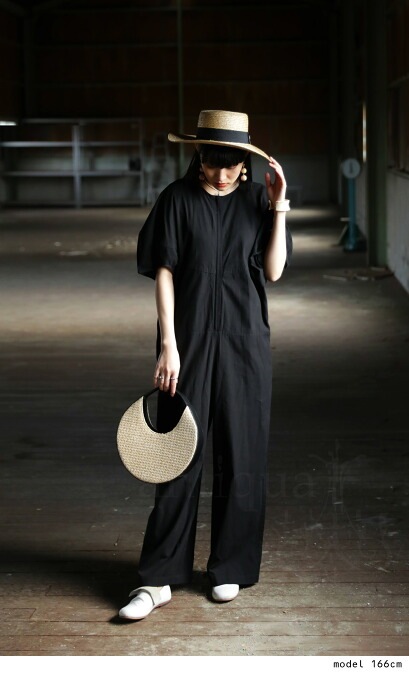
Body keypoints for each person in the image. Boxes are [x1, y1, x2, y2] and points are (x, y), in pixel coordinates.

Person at [119, 109, 292, 620]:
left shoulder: (257, 201)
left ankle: (229, 567)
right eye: (213, 162)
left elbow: (274, 271)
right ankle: (157, 579)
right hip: (188, 341)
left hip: (245, 342)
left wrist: (279, 205)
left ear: (245, 164)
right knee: (178, 454)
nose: (221, 173)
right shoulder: (176, 199)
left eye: (231, 164)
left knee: (243, 454)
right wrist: (168, 344)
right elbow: (164, 272)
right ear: (199, 157)